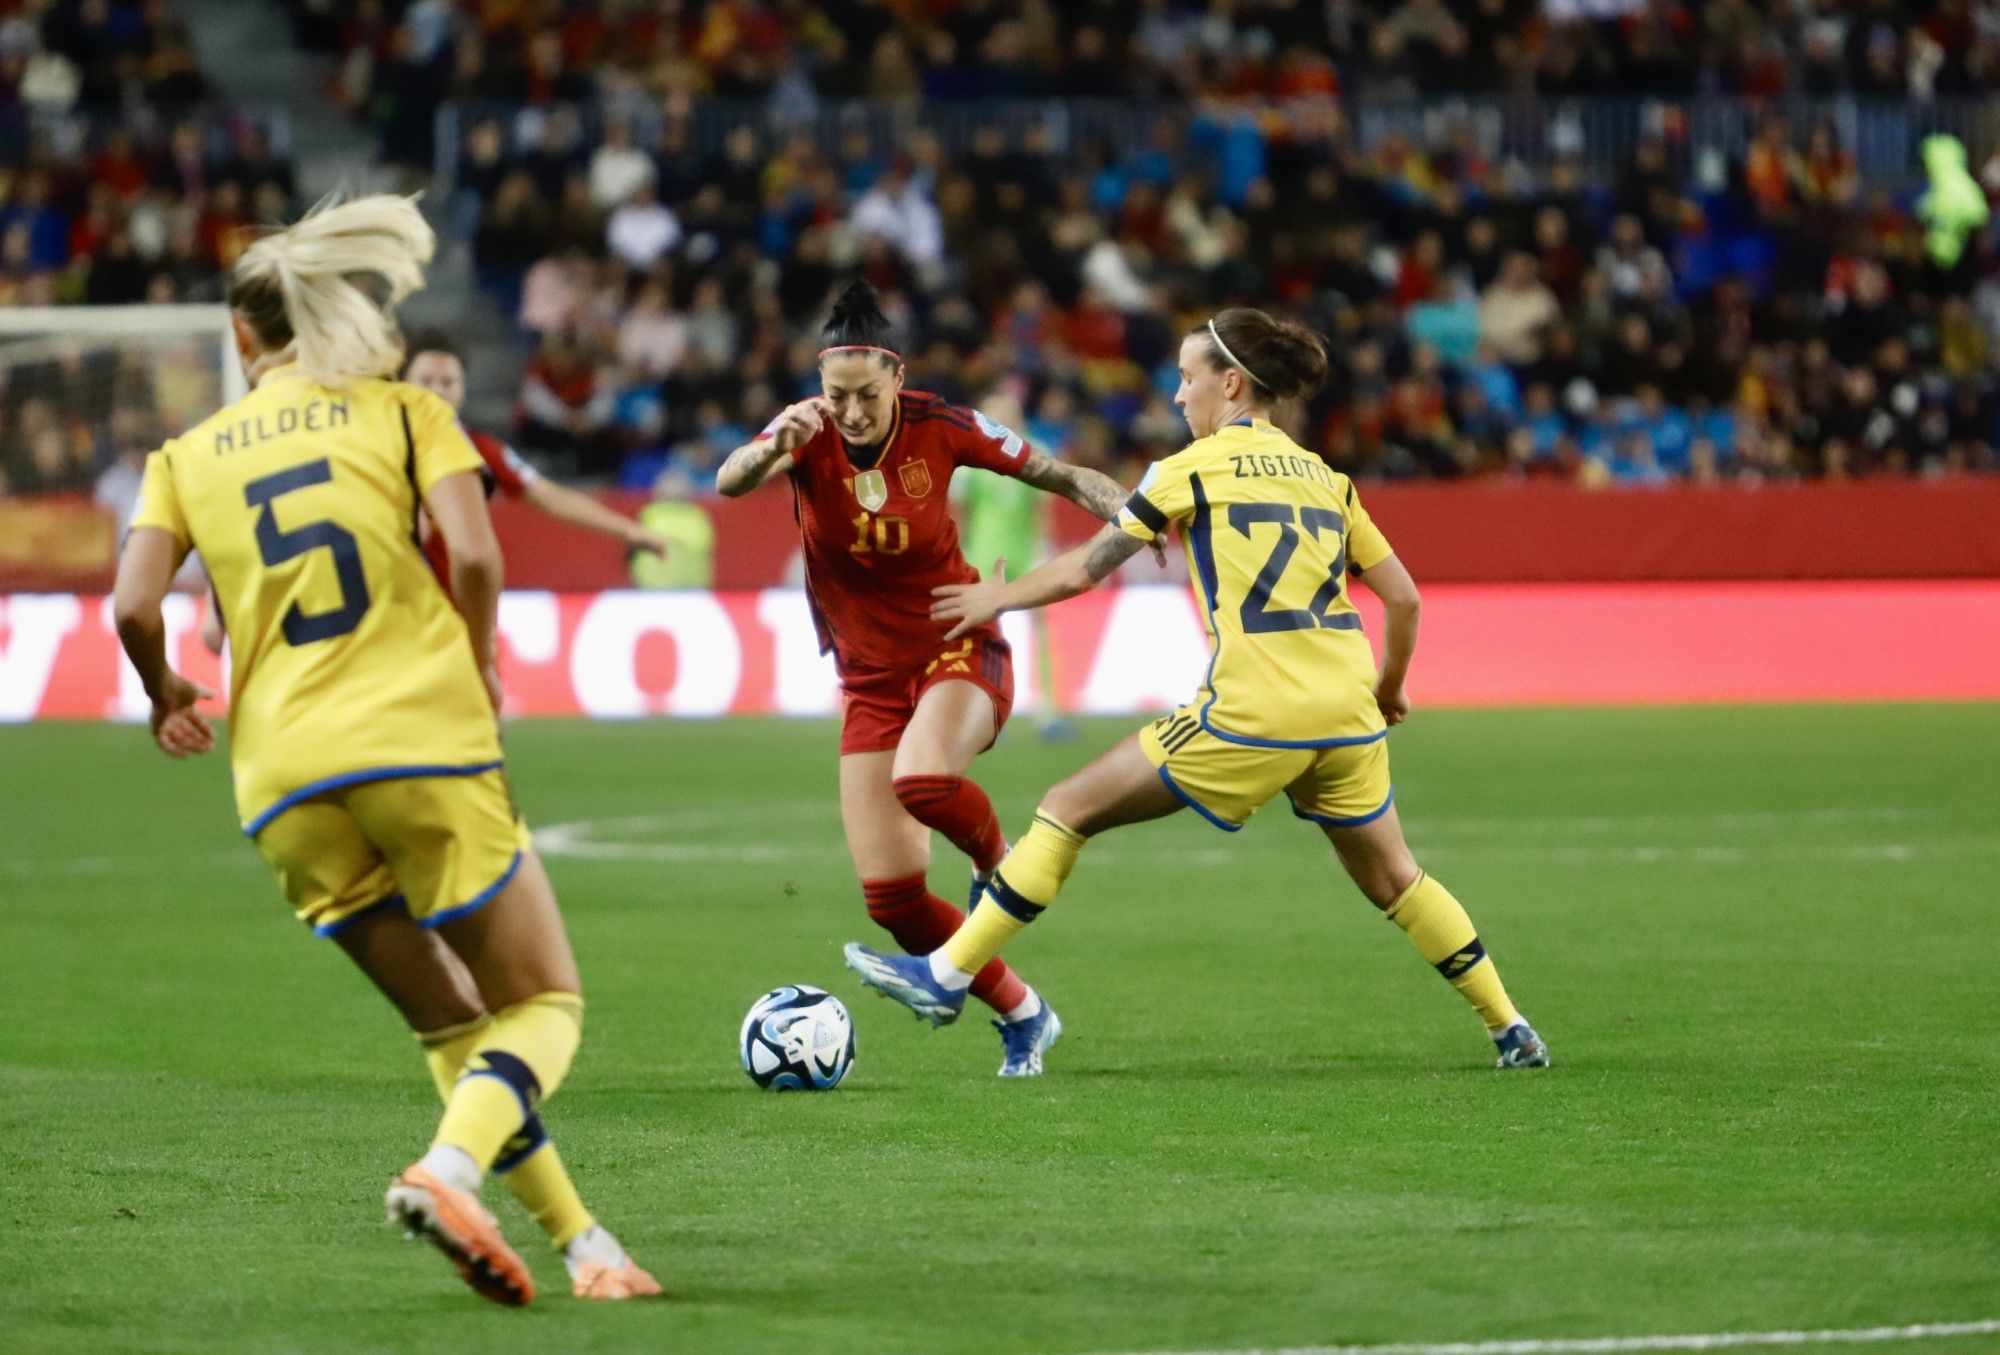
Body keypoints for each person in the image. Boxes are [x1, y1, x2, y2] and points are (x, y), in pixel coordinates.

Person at [110, 195, 660, 1306]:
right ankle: (447, 1170)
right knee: (544, 1002)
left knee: (452, 1023)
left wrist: (168, 688)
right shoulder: (405, 410)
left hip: (279, 779)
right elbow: (475, 552)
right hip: (417, 737)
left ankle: (584, 1247)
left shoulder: (184, 454)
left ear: (240, 339)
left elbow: (130, 602)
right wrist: (482, 659)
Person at [844, 307, 1551, 1072]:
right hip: (1346, 709)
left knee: (1066, 807)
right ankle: (1509, 1025)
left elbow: (1087, 566)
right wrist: (1388, 689)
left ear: (1232, 384)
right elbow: (1405, 598)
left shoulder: (1189, 468)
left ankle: (946, 974)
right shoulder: (1328, 480)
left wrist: (994, 600)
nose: (1178, 397)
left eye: (1187, 380)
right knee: (1395, 875)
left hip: (1254, 711)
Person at [714, 280, 1149, 1077]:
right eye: (834, 394)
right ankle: (1025, 1012)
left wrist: (1133, 514)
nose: (849, 411)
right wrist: (775, 443)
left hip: (957, 644)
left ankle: (994, 864)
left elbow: (1057, 473)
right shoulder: (800, 433)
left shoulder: (942, 425)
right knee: (893, 900)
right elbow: (730, 480)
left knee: (922, 779)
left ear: (897, 379)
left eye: (865, 394)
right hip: (868, 679)